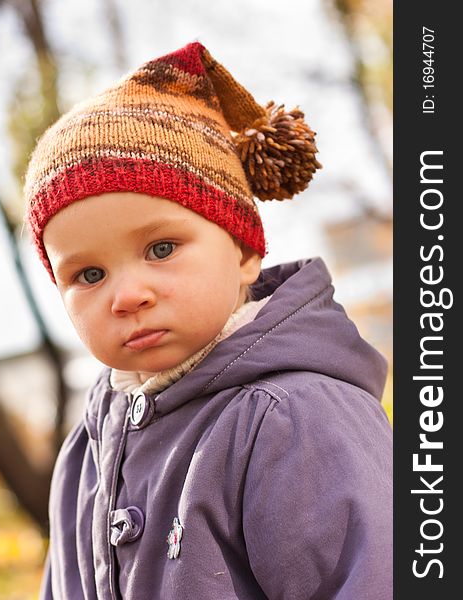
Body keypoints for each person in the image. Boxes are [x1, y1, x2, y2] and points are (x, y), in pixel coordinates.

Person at [24, 41, 392, 600]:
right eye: (89, 276)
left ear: (245, 251)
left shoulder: (292, 418)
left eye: (162, 247)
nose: (127, 295)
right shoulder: (89, 449)